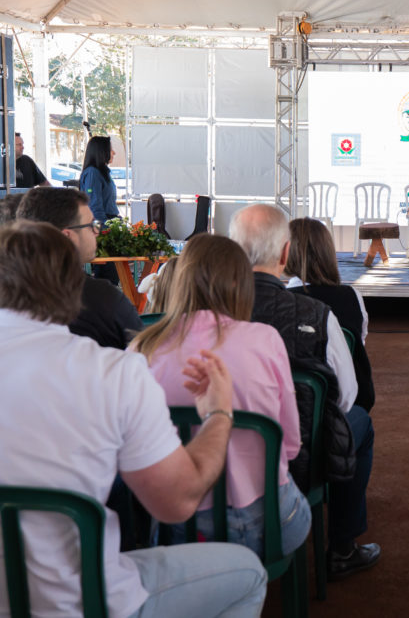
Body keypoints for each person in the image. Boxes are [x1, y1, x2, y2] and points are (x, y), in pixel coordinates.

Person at [0, 220, 267, 616]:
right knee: (249, 574)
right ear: (75, 288)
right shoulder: (111, 372)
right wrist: (218, 414)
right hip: (84, 602)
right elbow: (176, 503)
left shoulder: (130, 359)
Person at [132, 234, 311, 557]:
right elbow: (291, 444)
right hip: (264, 520)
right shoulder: (265, 339)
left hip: (176, 525)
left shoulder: (142, 348)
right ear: (242, 283)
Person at [229, 204, 380, 578]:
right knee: (355, 421)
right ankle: (342, 546)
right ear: (283, 253)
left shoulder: (217, 311)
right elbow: (345, 396)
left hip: (220, 447)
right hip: (302, 449)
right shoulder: (327, 310)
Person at [17, 187, 144, 349]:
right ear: (67, 236)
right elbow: (143, 356)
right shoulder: (103, 300)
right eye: (91, 225)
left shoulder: (11, 294)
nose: (97, 232)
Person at [286, 217, 375, 412]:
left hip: (291, 405)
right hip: (347, 404)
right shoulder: (353, 297)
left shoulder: (280, 303)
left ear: (286, 253)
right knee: (363, 426)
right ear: (328, 252)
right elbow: (356, 344)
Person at [79, 135, 119, 224]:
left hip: (110, 222)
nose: (114, 153)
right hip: (103, 225)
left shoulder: (101, 172)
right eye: (110, 149)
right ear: (101, 152)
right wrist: (104, 229)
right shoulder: (93, 173)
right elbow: (94, 206)